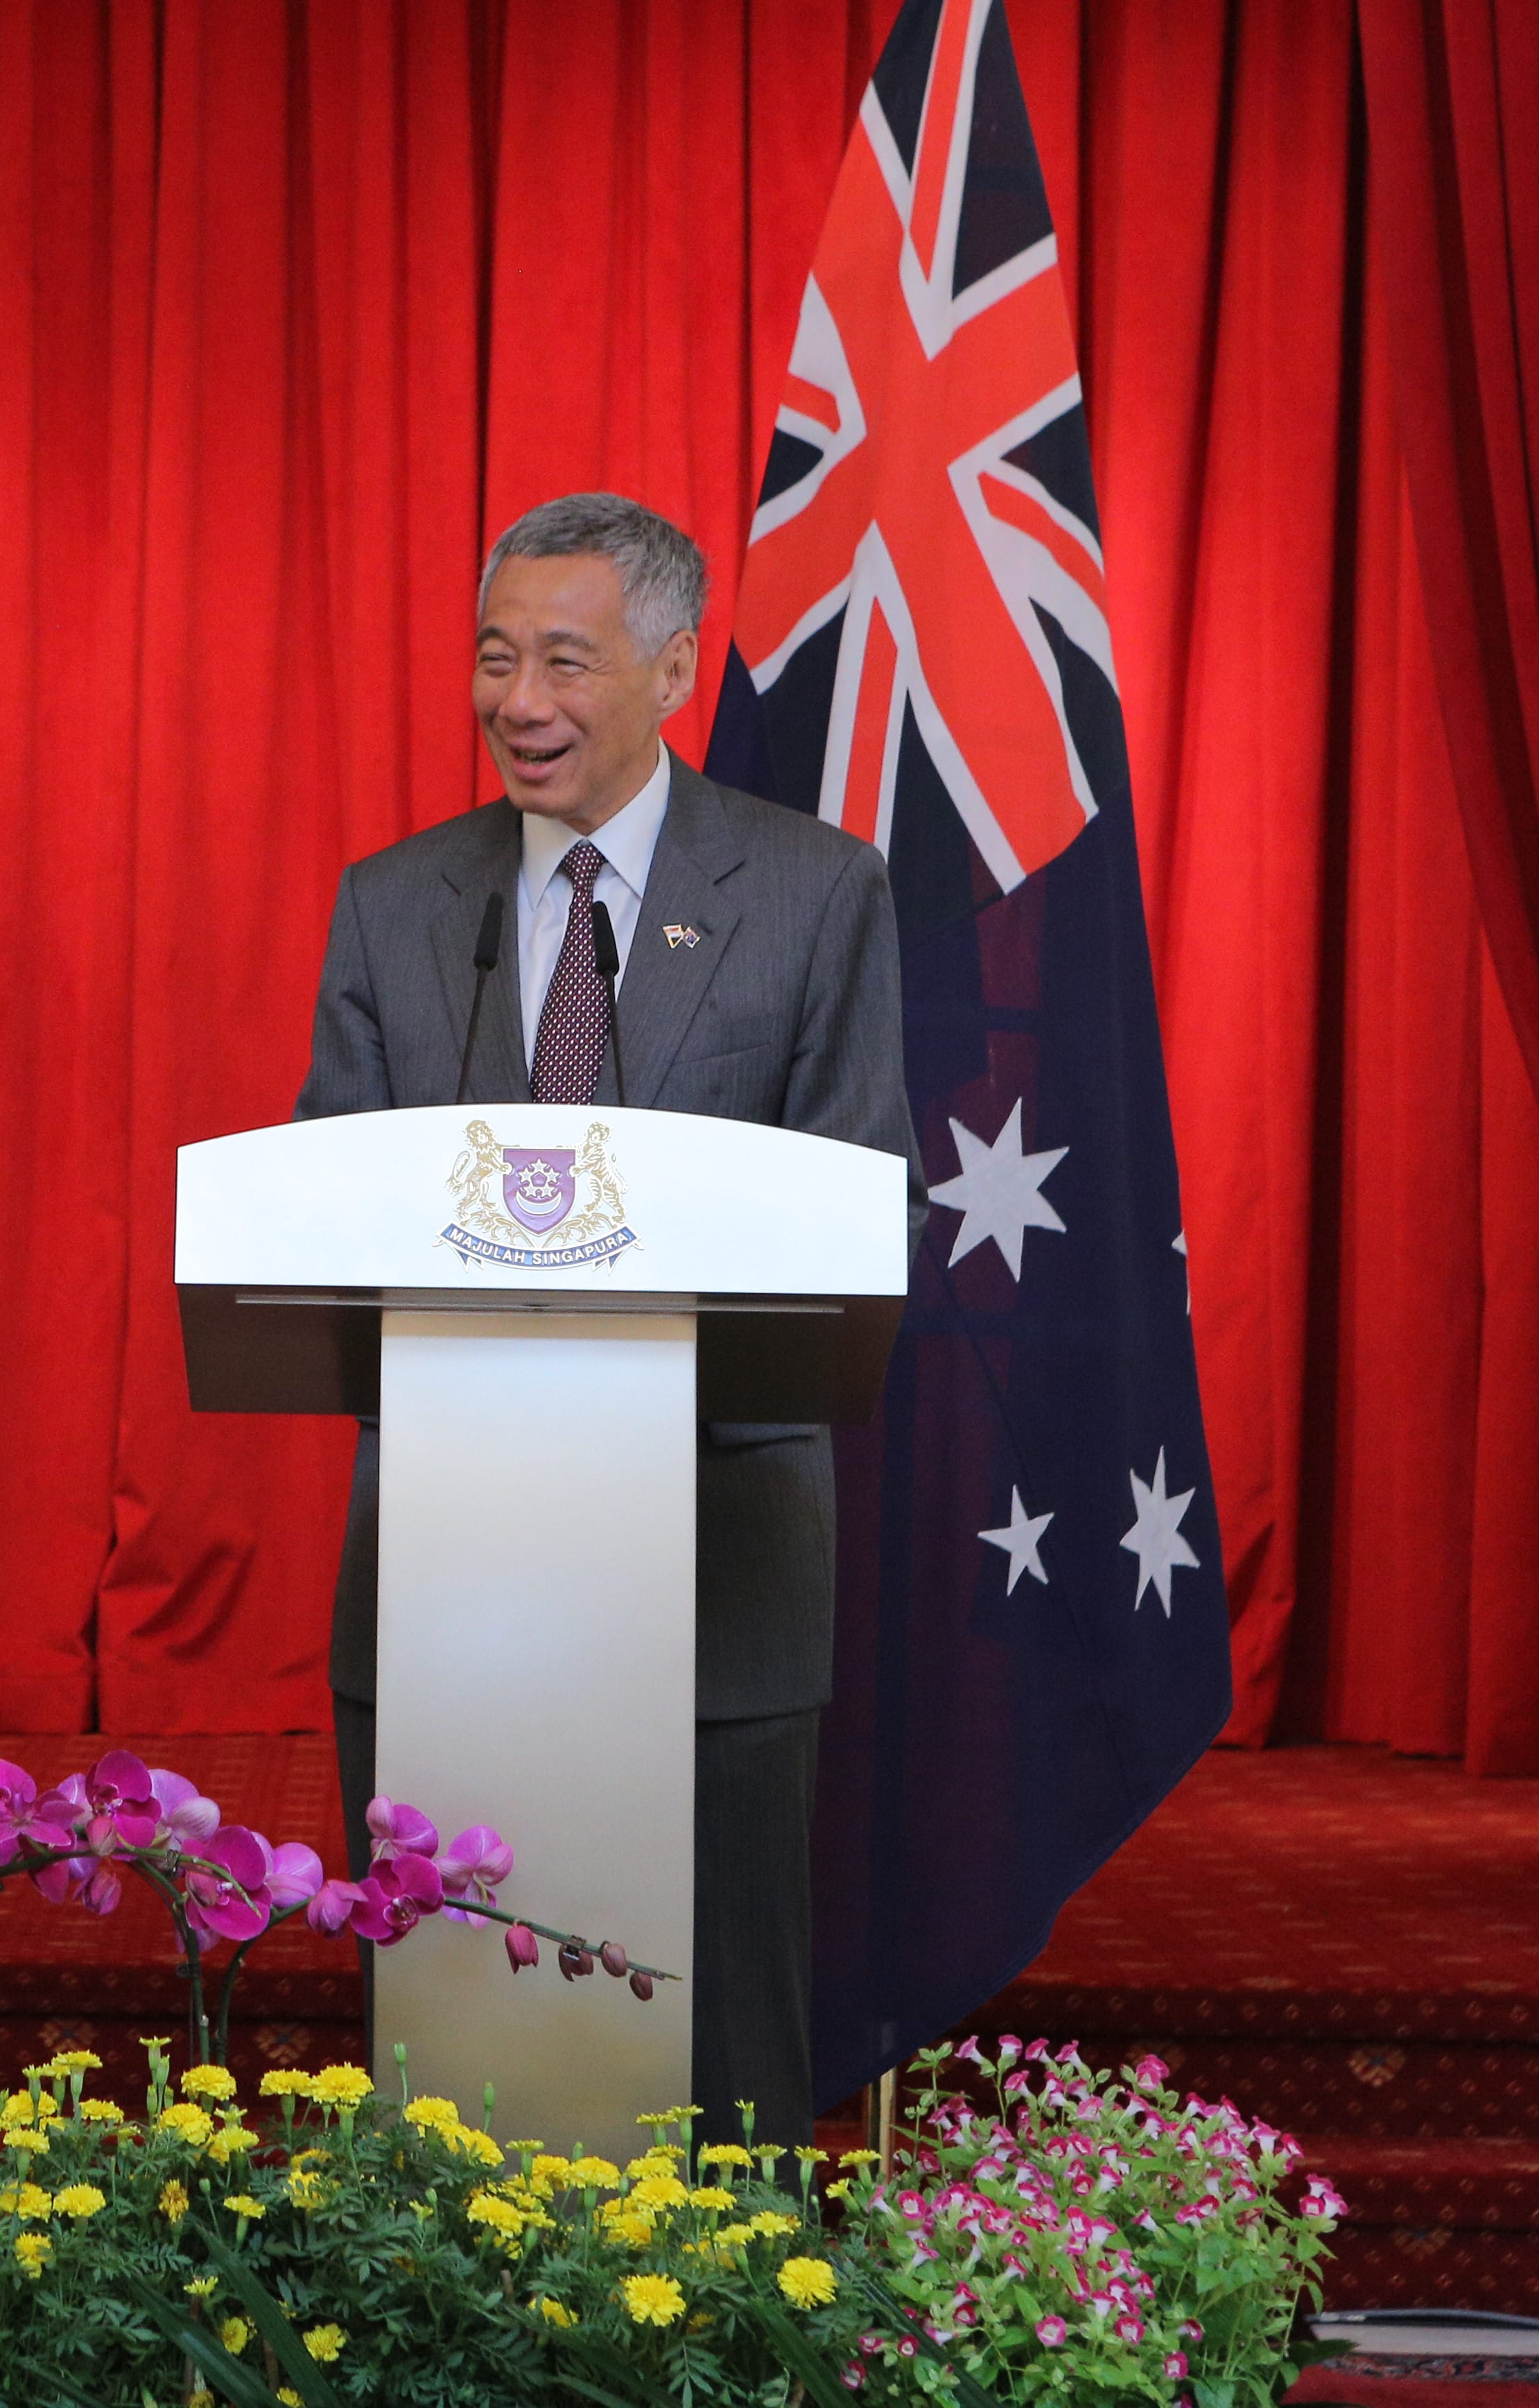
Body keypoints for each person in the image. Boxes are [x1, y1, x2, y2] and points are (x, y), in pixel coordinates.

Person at [290, 490, 915, 2145]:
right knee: (448, 2028)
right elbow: (328, 1218)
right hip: (447, 1566)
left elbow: (855, 1212)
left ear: (674, 674)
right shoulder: (394, 903)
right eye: (495, 660)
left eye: (565, 660)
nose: (521, 702)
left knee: (725, 2043)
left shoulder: (814, 893)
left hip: (717, 1555)